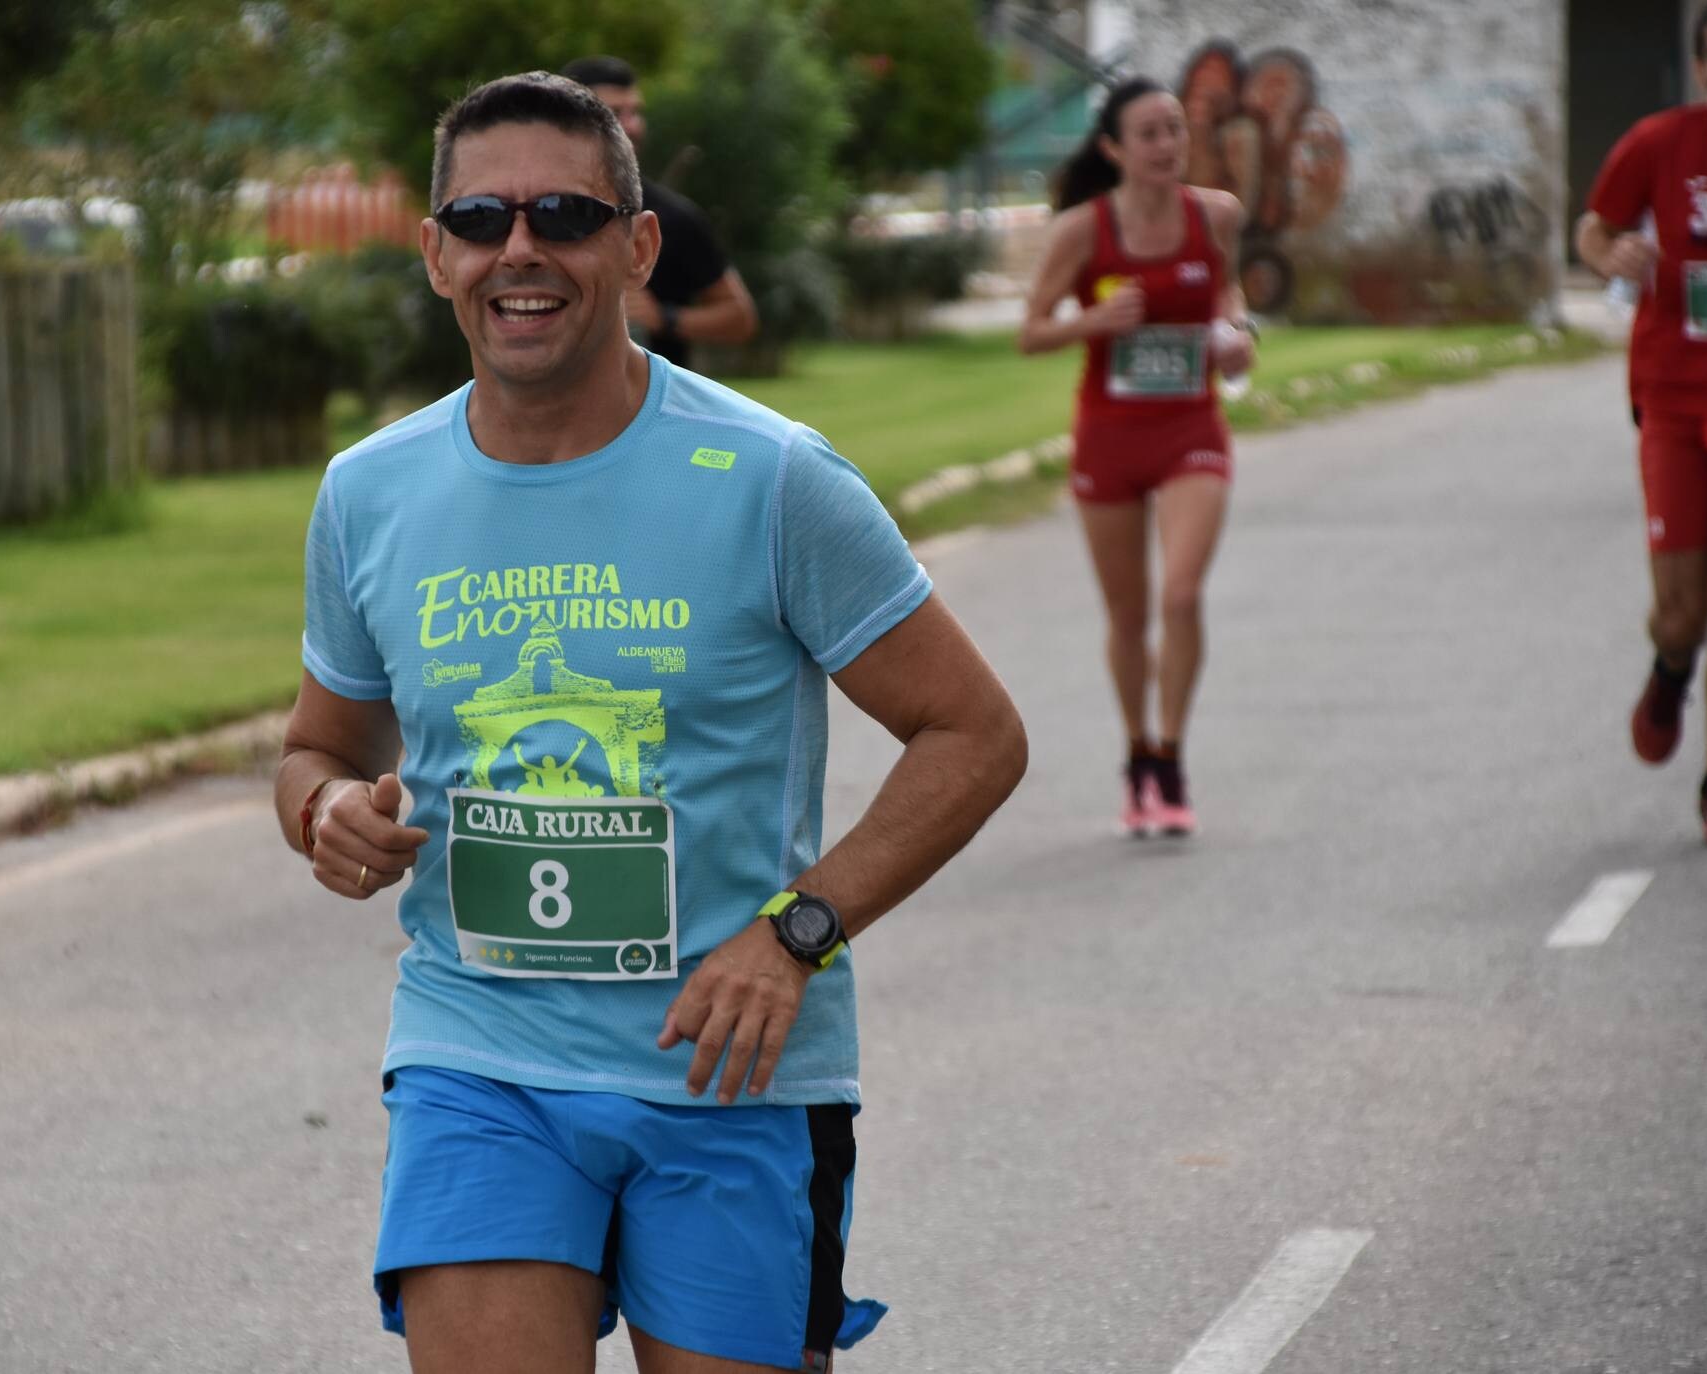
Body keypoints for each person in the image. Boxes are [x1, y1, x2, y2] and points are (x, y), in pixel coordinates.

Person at [273, 72, 1026, 1374]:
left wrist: (795, 935)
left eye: (564, 214)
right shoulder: (370, 492)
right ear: (437, 253)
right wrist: (326, 812)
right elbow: (320, 744)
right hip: (477, 1056)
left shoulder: (771, 478)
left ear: (636, 246)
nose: (521, 248)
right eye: (483, 217)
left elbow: (973, 733)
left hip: (730, 1078)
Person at [1018, 77, 1255, 837]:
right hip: (1110, 436)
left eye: (1174, 130)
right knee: (1127, 613)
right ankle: (1137, 757)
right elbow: (1031, 331)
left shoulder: (1214, 215)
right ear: (1114, 148)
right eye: (1147, 133)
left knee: (1180, 595)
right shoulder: (1084, 230)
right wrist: (1094, 321)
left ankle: (1174, 751)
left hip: (1190, 427)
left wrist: (1237, 336)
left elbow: (1230, 299)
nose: (1165, 145)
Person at [1577, 0, 1707, 845]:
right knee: (1682, 612)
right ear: (1698, 66)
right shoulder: (1656, 144)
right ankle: (1671, 667)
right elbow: (1592, 227)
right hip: (1675, 403)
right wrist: (1611, 256)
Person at [561, 55, 758, 368]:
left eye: (635, 112)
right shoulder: (530, 212)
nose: (632, 126)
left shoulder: (675, 218)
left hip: (656, 408)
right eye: (614, 113)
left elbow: (740, 318)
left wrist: (664, 317)